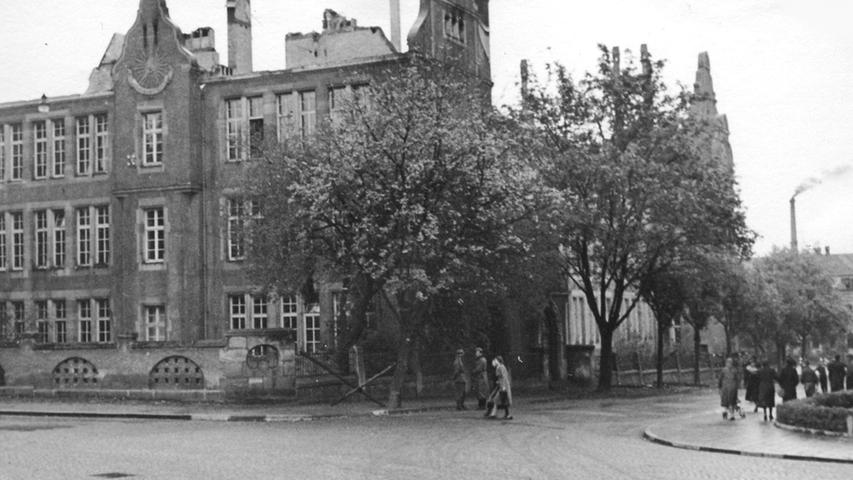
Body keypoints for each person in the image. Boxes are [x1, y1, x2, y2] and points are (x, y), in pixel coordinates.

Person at [488, 356, 512, 420]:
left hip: (503, 386)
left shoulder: (501, 367)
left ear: (498, 361)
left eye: (495, 360)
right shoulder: (499, 367)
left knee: (503, 400)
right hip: (501, 385)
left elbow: (504, 376)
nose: (494, 361)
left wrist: (503, 386)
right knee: (497, 399)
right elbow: (500, 377)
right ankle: (493, 413)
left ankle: (507, 414)